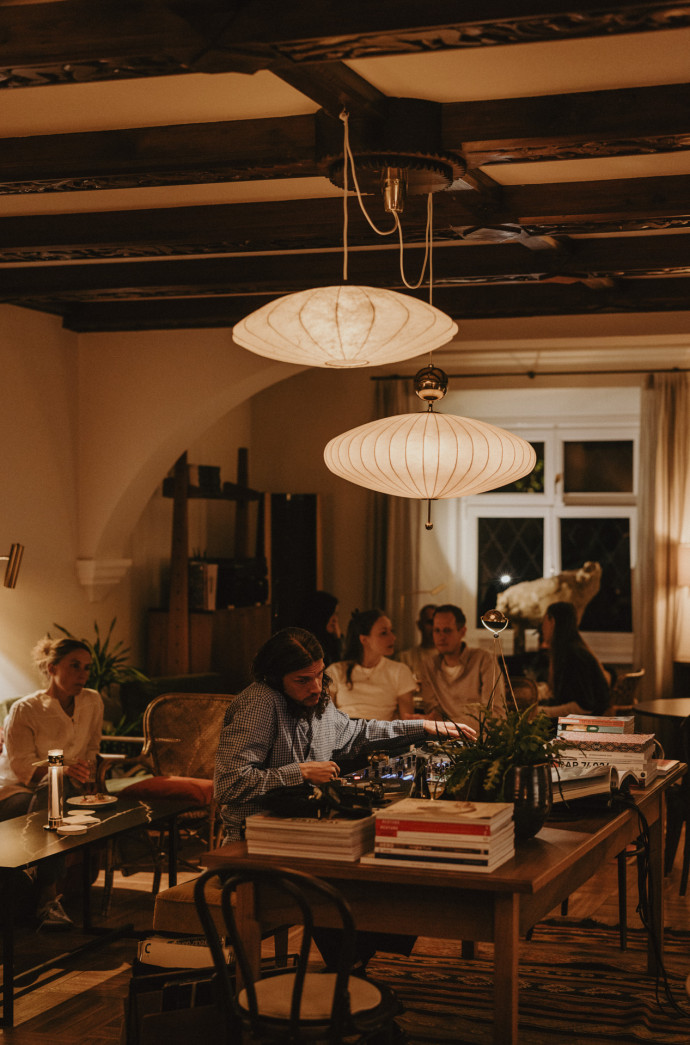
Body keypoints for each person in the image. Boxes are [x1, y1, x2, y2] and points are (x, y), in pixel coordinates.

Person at [214, 627, 474, 973]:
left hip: (300, 835)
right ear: (275, 678)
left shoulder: (316, 702)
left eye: (319, 675)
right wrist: (300, 772)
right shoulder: (260, 703)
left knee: (386, 857)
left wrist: (423, 727)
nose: (315, 687)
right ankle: (350, 969)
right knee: (338, 878)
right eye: (303, 680)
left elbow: (358, 733)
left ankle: (355, 965)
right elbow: (229, 785)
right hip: (252, 847)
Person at [0, 636, 103, 929]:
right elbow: (21, 767)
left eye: (86, 667)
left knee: (56, 793)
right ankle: (48, 898)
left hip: (68, 786)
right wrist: (63, 771)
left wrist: (86, 774)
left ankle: (31, 870)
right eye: (74, 666)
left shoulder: (92, 701)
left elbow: (92, 748)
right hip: (17, 788)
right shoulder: (26, 708)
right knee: (50, 790)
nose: (82, 674)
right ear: (52, 667)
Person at [418, 604, 505, 723]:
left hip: (480, 733)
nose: (441, 637)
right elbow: (433, 710)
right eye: (436, 630)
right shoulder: (429, 665)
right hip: (447, 732)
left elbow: (495, 713)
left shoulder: (483, 659)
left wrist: (448, 724)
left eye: (447, 630)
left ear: (462, 632)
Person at [327, 609, 418, 720]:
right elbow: (325, 718)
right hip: (344, 728)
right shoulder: (336, 671)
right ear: (364, 640)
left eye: (392, 631)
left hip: (380, 729)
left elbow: (407, 720)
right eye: (384, 633)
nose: (393, 637)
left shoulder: (399, 671)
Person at [537, 601, 611, 719]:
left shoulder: (574, 655)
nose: (542, 628)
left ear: (553, 621)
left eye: (544, 622)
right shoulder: (571, 649)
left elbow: (584, 706)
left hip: (589, 723)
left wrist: (540, 712)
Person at [298, 589, 342, 666]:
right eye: (331, 613)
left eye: (336, 614)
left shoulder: (329, 640)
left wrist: (338, 639)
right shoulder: (306, 644)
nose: (335, 619)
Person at [399, 603, 438, 682]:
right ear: (419, 625)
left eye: (438, 623)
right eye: (430, 622)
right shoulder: (405, 658)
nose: (434, 628)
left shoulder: (451, 659)